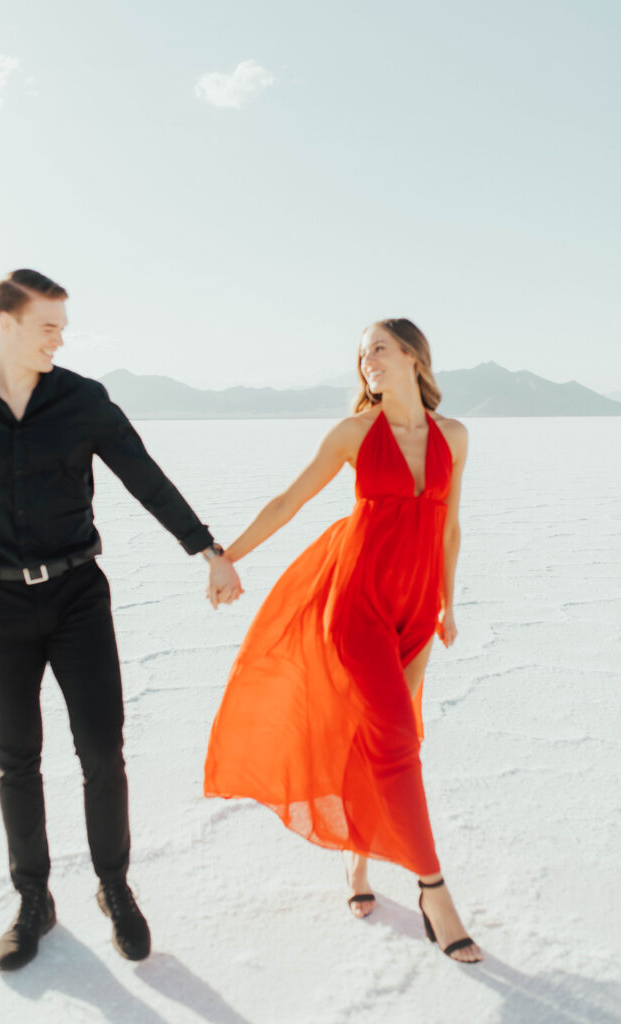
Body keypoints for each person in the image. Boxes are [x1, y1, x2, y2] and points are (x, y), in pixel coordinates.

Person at [0, 269, 242, 971]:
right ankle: (34, 899)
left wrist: (208, 551)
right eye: (48, 326)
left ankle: (113, 885)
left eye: (63, 327)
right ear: (5, 323)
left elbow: (145, 477)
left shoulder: (82, 401)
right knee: (17, 761)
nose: (60, 339)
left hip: (78, 596)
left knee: (102, 748)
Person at [204, 318, 482, 963]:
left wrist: (447, 603)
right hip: (357, 607)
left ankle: (359, 868)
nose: (368, 364)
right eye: (362, 357)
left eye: (379, 349)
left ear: (413, 355)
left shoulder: (455, 436)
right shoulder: (355, 434)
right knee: (394, 743)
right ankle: (433, 891)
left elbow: (451, 528)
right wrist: (226, 556)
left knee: (391, 737)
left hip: (416, 611)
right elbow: (287, 501)